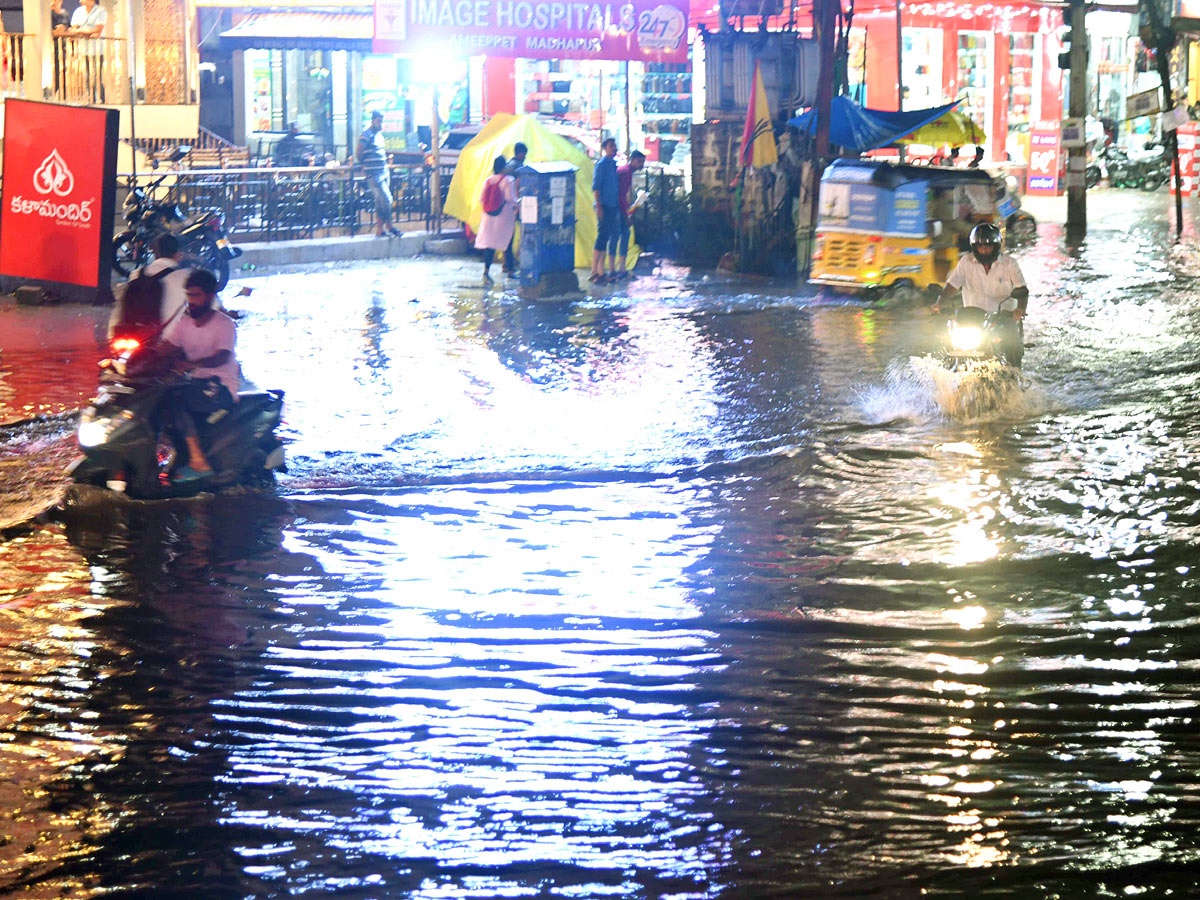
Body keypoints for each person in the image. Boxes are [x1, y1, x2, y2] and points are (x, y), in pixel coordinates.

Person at [158, 269, 241, 483]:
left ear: (210, 296)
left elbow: (220, 358)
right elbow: (165, 348)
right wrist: (137, 359)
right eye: (188, 296)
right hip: (195, 383)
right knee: (159, 399)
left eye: (195, 296)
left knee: (178, 401)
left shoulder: (224, 324)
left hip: (220, 385)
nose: (190, 301)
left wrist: (189, 364)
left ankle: (198, 461)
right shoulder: (184, 323)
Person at [936, 222, 1028, 366]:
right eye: (980, 246)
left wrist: (1020, 309)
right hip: (971, 317)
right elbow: (952, 285)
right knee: (947, 343)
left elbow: (1022, 290)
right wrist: (940, 302)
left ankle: (1016, 379)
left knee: (1012, 346)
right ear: (974, 247)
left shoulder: (1010, 264)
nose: (984, 250)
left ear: (996, 247)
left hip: (1002, 317)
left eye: (988, 246)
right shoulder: (966, 262)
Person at [109, 232, 192, 340]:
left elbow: (120, 307)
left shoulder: (137, 274)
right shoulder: (185, 277)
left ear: (155, 253)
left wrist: (111, 334)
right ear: (178, 254)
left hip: (135, 337)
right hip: (167, 343)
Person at [357, 110, 401, 238]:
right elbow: (359, 151)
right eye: (378, 121)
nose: (380, 123)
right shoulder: (367, 134)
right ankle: (390, 225)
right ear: (373, 120)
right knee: (387, 199)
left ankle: (380, 229)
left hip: (383, 171)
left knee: (380, 201)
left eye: (382, 121)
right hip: (373, 173)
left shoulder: (379, 136)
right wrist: (364, 164)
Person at [474, 155, 517, 283]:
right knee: (507, 242)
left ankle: (486, 271)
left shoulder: (487, 180)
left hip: (488, 216)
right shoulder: (508, 180)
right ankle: (510, 271)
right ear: (504, 167)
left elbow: (481, 198)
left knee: (490, 244)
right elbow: (510, 198)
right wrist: (518, 203)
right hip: (504, 216)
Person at [610, 149, 646, 279]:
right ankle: (620, 268)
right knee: (623, 235)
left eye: (643, 162)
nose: (641, 164)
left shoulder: (625, 171)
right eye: (639, 161)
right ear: (632, 160)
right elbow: (620, 195)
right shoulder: (625, 173)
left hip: (617, 207)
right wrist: (625, 216)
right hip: (617, 209)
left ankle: (616, 268)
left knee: (618, 236)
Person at [590, 137, 619, 283]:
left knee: (606, 236)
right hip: (604, 205)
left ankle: (601, 270)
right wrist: (599, 205)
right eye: (611, 146)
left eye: (615, 146)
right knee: (602, 236)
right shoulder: (601, 164)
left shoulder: (613, 164)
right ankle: (595, 270)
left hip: (612, 205)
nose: (614, 148)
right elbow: (596, 187)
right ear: (605, 148)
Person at [69, 0, 107, 103]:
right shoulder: (78, 11)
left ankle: (101, 99)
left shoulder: (100, 11)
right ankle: (90, 99)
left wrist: (81, 31)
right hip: (83, 49)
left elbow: (97, 30)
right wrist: (83, 32)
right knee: (86, 76)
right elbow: (74, 29)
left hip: (97, 49)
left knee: (96, 76)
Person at [501, 142, 528, 273]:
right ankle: (515, 261)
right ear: (520, 153)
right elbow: (517, 187)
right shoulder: (518, 167)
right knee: (523, 233)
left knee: (507, 236)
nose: (525, 157)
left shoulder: (507, 166)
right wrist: (518, 205)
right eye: (524, 154)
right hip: (515, 204)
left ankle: (506, 263)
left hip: (504, 206)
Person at [49, 0, 70, 95]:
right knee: (52, 71)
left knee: (62, 71)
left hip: (62, 47)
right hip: (50, 47)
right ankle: (52, 92)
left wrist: (64, 30)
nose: (53, 2)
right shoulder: (48, 14)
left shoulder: (65, 13)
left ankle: (62, 93)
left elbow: (69, 28)